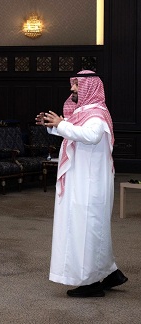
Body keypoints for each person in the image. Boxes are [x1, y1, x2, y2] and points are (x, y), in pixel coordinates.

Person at [40, 70, 127, 298]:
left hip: (90, 184)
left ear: (89, 88)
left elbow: (90, 136)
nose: (72, 89)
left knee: (87, 231)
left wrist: (61, 124)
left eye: (77, 86)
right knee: (91, 231)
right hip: (82, 181)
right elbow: (72, 130)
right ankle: (110, 273)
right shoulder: (85, 113)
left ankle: (91, 283)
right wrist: (52, 124)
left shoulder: (96, 115)